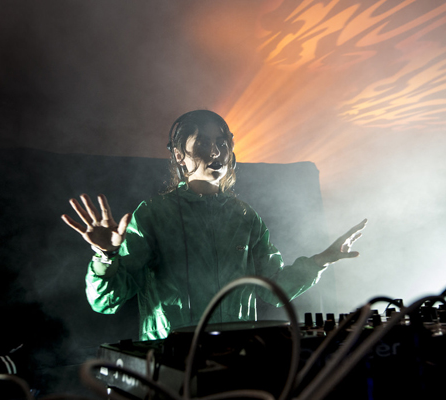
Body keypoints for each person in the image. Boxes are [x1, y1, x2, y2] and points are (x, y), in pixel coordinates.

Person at [62, 110, 367, 340]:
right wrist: (105, 257)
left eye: (221, 142)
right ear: (179, 156)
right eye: (203, 142)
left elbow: (273, 289)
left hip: (237, 357)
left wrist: (321, 260)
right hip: (172, 361)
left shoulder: (245, 217)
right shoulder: (153, 214)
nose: (216, 151)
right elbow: (105, 301)